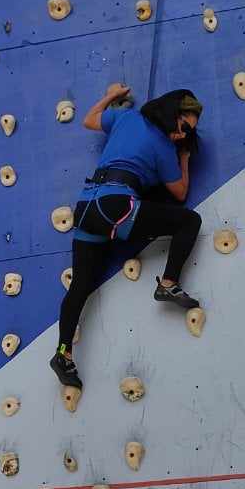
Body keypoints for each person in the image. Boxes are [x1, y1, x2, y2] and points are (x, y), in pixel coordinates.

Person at [50, 85, 204, 391]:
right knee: (190, 221)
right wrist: (184, 157)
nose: (182, 136)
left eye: (188, 135)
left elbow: (90, 120)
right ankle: (169, 284)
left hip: (87, 205)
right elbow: (180, 193)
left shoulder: (126, 118)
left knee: (80, 286)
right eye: (183, 127)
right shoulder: (164, 147)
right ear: (172, 114)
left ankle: (63, 353)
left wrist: (111, 94)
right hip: (117, 207)